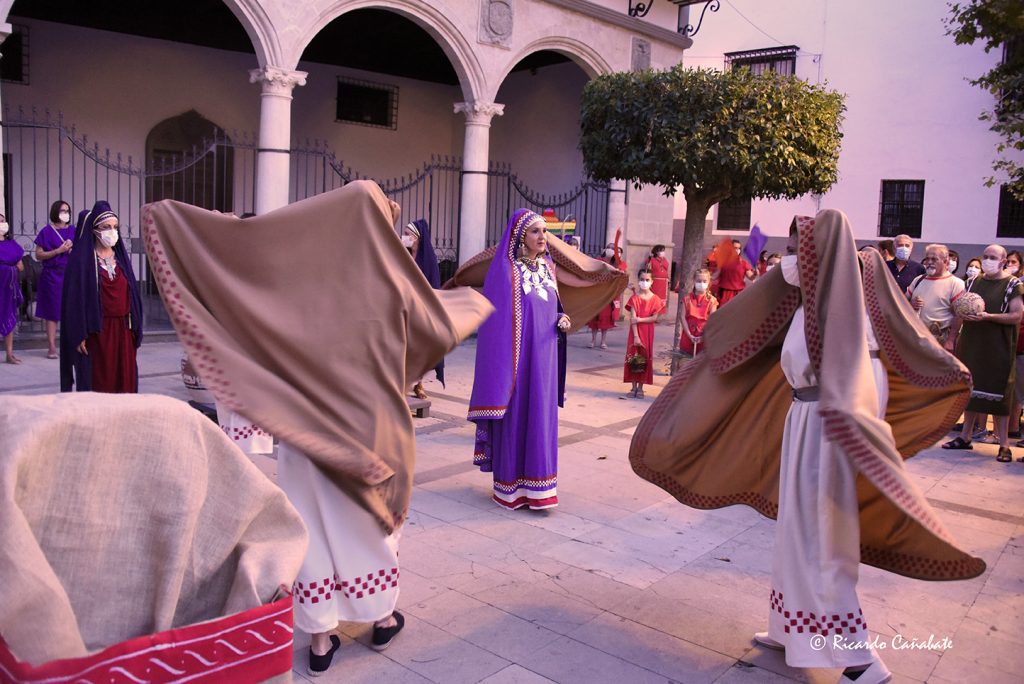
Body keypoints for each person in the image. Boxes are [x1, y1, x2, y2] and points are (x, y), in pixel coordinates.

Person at [143, 180, 493, 676]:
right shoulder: (388, 280)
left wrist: (182, 223)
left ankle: (321, 639)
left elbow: (245, 263)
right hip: (367, 431)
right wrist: (469, 303)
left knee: (310, 530)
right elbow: (431, 328)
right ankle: (381, 617)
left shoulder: (299, 287)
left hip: (305, 435)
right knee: (366, 526)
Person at [630, 210, 984, 684]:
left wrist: (843, 447)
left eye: (801, 251)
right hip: (807, 423)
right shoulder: (810, 307)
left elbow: (864, 390)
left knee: (824, 538)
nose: (791, 260)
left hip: (827, 432)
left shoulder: (851, 319)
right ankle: (790, 629)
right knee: (795, 531)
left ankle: (860, 661)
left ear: (823, 258)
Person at [469, 209, 569, 510]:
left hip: (545, 360)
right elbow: (496, 325)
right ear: (520, 237)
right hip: (517, 363)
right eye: (535, 231)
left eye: (544, 231)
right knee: (518, 415)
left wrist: (562, 318)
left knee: (541, 417)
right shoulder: (506, 271)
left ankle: (540, 489)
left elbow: (551, 308)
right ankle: (511, 489)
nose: (542, 237)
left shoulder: (549, 268)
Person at [943, 244, 1024, 462]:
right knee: (970, 392)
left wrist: (989, 317)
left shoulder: (1013, 285)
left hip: (998, 348)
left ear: (1003, 261)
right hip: (972, 344)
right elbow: (959, 313)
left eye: (993, 257)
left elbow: (1017, 315)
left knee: (999, 395)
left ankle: (1004, 444)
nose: (988, 260)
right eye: (985, 256)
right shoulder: (972, 282)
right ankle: (965, 436)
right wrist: (952, 337)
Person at [60, 201, 143, 393]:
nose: (112, 231)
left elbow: (133, 296)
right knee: (99, 384)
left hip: (123, 331)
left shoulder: (121, 260)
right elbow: (74, 302)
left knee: (125, 383)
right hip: (97, 334)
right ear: (94, 230)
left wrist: (135, 327)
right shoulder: (82, 262)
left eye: (115, 227)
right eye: (106, 227)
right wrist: (78, 332)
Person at [402, 219, 444, 399]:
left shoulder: (428, 260)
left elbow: (433, 286)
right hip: (404, 307)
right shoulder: (403, 256)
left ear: (417, 237)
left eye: (408, 234)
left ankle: (418, 384)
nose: (405, 237)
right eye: (404, 234)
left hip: (421, 309)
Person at [33, 200, 75, 359]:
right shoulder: (46, 231)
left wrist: (72, 250)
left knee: (70, 310)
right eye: (62, 210)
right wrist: (58, 251)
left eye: (67, 211)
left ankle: (70, 344)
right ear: (55, 212)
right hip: (52, 275)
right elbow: (38, 255)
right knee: (52, 312)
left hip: (69, 274)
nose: (65, 213)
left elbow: (81, 251)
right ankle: (51, 346)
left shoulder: (73, 230)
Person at [907, 243, 964, 350]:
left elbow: (958, 315)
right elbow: (903, 302)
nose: (929, 262)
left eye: (934, 259)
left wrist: (950, 340)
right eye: (927, 259)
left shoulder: (956, 283)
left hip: (940, 340)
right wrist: (911, 304)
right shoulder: (918, 280)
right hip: (916, 338)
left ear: (945, 262)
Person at [623, 268, 666, 398]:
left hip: (647, 331)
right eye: (642, 279)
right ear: (638, 280)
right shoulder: (634, 298)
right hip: (635, 332)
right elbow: (633, 318)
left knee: (644, 357)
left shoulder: (656, 299)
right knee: (633, 357)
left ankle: (641, 387)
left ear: (652, 281)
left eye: (647, 280)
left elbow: (654, 318)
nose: (644, 282)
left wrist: (640, 319)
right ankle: (633, 386)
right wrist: (636, 336)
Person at [588, 240, 623, 349]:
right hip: (597, 294)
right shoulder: (598, 261)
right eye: (609, 248)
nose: (611, 250)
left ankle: (603, 341)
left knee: (605, 319)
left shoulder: (617, 264)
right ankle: (593, 340)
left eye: (613, 249)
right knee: (594, 319)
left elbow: (621, 276)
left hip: (608, 295)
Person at [679, 268, 718, 358]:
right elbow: (682, 317)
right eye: (699, 281)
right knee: (685, 361)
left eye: (704, 281)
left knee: (700, 363)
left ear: (709, 282)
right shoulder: (687, 299)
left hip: (704, 335)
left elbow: (712, 320)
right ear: (694, 281)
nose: (701, 284)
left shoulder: (712, 301)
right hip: (688, 335)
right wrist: (689, 335)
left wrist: (703, 337)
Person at [0, 213, 24, 364]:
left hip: (9, 289)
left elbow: (21, 266)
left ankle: (9, 354)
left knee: (9, 317)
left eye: (3, 221)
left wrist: (8, 266)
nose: (2, 223)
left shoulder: (12, 245)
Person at [714, 239, 755, 306]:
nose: (737, 250)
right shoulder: (723, 262)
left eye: (739, 248)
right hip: (724, 293)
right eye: (735, 248)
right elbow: (715, 276)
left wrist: (755, 274)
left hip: (738, 293)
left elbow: (751, 277)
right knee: (724, 311)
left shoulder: (743, 263)